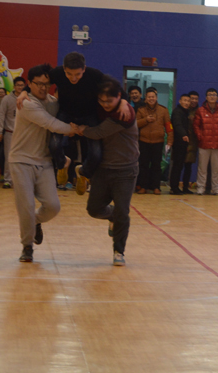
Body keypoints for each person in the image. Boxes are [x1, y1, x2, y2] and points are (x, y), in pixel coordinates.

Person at [16, 52, 132, 195]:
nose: (73, 78)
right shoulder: (57, 73)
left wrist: (124, 101)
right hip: (66, 113)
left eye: (78, 74)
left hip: (89, 115)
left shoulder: (94, 74)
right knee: (54, 145)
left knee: (96, 153)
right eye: (69, 74)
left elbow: (115, 86)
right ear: (64, 69)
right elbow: (38, 81)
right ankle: (62, 163)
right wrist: (24, 91)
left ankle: (83, 173)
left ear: (84, 69)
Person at [9, 64, 76, 263]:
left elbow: (66, 110)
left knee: (53, 206)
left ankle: (35, 222)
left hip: (44, 161)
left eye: (46, 84)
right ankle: (27, 246)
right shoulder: (26, 103)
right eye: (38, 84)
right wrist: (75, 130)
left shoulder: (53, 102)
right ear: (29, 84)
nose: (43, 88)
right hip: (21, 160)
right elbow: (51, 123)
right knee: (26, 206)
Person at [76, 77, 139, 266]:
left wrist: (81, 130)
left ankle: (119, 251)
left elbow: (98, 132)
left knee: (122, 212)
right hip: (103, 169)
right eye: (101, 100)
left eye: (108, 101)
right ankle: (112, 215)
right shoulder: (103, 108)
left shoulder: (124, 113)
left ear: (119, 96)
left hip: (125, 171)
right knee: (94, 209)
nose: (104, 104)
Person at [135, 87, 173, 195]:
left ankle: (156, 187)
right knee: (143, 165)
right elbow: (135, 124)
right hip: (144, 141)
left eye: (153, 97)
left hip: (158, 141)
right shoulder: (141, 110)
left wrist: (170, 141)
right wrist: (146, 120)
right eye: (149, 97)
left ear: (156, 98)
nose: (151, 99)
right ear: (146, 98)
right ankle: (143, 186)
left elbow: (169, 126)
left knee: (156, 165)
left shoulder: (163, 110)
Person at [193, 88, 218, 196]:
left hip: (217, 144)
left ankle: (216, 188)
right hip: (204, 144)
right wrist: (200, 136)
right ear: (206, 97)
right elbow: (196, 126)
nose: (212, 96)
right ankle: (200, 187)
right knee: (202, 168)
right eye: (210, 95)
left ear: (217, 97)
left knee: (216, 168)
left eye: (214, 95)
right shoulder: (200, 110)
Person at [0, 76, 26, 189]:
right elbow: (1, 115)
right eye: (18, 85)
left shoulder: (28, 98)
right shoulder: (7, 99)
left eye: (22, 85)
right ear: (14, 86)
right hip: (10, 132)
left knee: (23, 157)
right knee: (9, 157)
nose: (20, 87)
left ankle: (21, 181)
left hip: (24, 134)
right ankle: (8, 180)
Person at [169, 94, 192, 195]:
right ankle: (174, 187)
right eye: (185, 100)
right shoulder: (177, 112)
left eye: (188, 101)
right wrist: (184, 134)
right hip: (178, 142)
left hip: (183, 142)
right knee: (177, 165)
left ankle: (175, 186)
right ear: (180, 101)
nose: (186, 103)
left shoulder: (185, 112)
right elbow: (177, 124)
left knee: (179, 165)